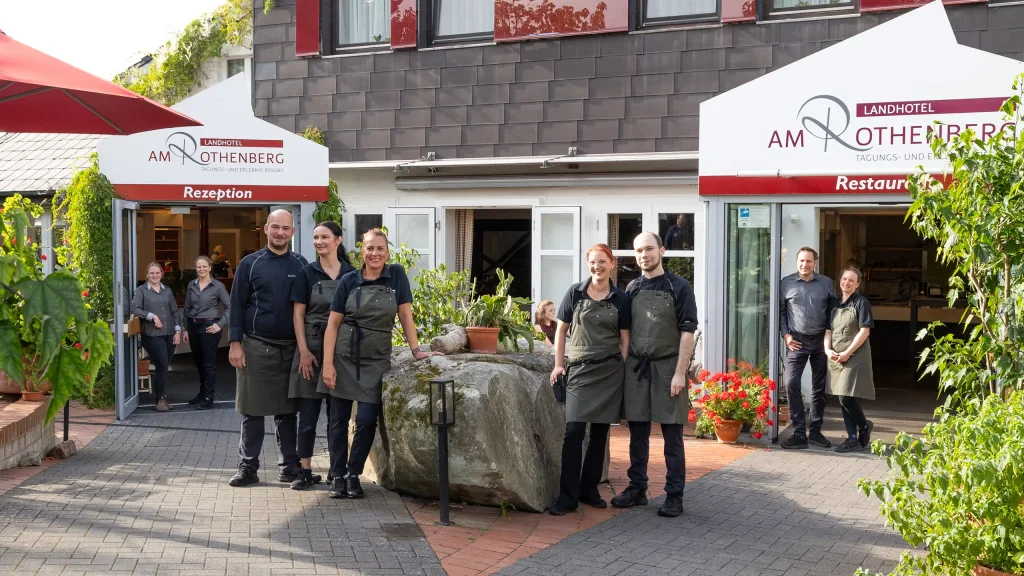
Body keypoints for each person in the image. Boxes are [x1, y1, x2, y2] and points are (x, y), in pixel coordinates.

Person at [320, 228, 443, 499]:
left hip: (376, 360)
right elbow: (333, 323)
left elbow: (405, 313)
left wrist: (417, 351)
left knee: (365, 420)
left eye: (380, 249)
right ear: (361, 252)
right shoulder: (349, 280)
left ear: (387, 252)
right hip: (343, 357)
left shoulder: (396, 275)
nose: (375, 253)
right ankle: (338, 475)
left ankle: (354, 473)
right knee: (338, 421)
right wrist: (327, 364)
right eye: (370, 248)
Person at [613, 232, 698, 518]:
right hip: (637, 368)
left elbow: (688, 333)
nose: (643, 255)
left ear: (661, 250)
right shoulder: (632, 287)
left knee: (672, 435)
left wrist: (679, 373)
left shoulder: (679, 286)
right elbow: (624, 333)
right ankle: (637, 488)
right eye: (638, 250)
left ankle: (675, 495)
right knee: (637, 434)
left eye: (648, 249)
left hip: (667, 368)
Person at [227, 209, 308, 488]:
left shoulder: (301, 265)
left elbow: (308, 309)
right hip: (255, 346)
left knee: (288, 413)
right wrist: (235, 344)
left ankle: (289, 466)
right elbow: (236, 305)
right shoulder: (250, 264)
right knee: (253, 411)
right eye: (275, 227)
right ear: (265, 229)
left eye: (285, 228)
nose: (280, 233)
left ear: (293, 232)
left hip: (291, 350)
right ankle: (247, 467)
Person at [548, 244, 630, 516]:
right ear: (588, 265)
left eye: (602, 262)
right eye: (593, 262)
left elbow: (625, 340)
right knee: (573, 432)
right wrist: (559, 365)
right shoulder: (575, 292)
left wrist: (620, 367)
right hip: (580, 371)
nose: (597, 266)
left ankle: (589, 489)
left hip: (609, 373)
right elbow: (561, 331)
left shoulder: (620, 298)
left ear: (612, 264)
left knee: (600, 434)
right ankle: (567, 497)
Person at [288, 221, 356, 490]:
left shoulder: (351, 274)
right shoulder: (307, 273)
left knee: (337, 418)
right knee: (307, 417)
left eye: (324, 237)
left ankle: (336, 470)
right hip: (311, 351)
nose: (319, 242)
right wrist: (303, 351)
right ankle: (304, 470)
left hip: (341, 352)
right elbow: (298, 314)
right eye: (315, 237)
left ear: (338, 240)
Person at [780, 247, 837, 450]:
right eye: (801, 261)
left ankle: (814, 432)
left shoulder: (826, 283)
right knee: (791, 383)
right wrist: (786, 336)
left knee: (819, 388)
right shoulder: (786, 283)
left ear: (816, 262)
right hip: (796, 341)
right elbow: (781, 313)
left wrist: (830, 339)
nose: (805, 265)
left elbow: (833, 312)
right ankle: (798, 434)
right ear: (797, 262)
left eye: (809, 261)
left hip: (821, 341)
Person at [824, 267, 875, 453]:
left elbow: (864, 331)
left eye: (851, 280)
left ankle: (863, 427)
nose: (847, 282)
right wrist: (827, 350)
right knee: (842, 395)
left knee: (846, 396)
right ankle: (853, 437)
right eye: (844, 279)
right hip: (836, 356)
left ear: (857, 284)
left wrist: (847, 352)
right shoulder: (834, 304)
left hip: (855, 356)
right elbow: (828, 332)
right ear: (840, 281)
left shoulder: (861, 303)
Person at [131, 262, 182, 413]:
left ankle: (162, 398)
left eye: (157, 273)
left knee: (164, 367)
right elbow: (134, 308)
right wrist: (152, 316)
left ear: (161, 274)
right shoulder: (141, 291)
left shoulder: (167, 291)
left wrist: (177, 331)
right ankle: (159, 400)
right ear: (147, 275)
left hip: (169, 334)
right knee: (161, 365)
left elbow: (174, 312)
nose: (154, 276)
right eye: (151, 273)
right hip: (152, 335)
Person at [181, 255, 230, 411]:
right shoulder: (191, 285)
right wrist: (185, 328)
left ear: (210, 268)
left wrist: (220, 325)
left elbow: (231, 307)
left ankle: (209, 397)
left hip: (209, 326)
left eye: (204, 266)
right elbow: (187, 308)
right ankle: (202, 393)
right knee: (199, 362)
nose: (201, 269)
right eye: (198, 267)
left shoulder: (218, 286)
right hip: (193, 326)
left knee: (208, 364)